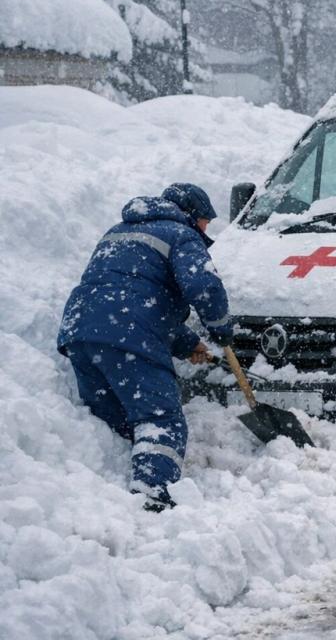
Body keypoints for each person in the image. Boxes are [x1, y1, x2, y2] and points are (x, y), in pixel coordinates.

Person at [57, 183, 233, 512]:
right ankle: (153, 500)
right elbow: (203, 285)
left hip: (81, 333)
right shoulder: (181, 234)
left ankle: (103, 504)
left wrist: (189, 344)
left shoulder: (118, 232)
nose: (206, 229)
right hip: (128, 335)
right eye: (206, 221)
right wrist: (221, 328)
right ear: (192, 215)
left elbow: (135, 300)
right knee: (160, 420)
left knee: (121, 425)